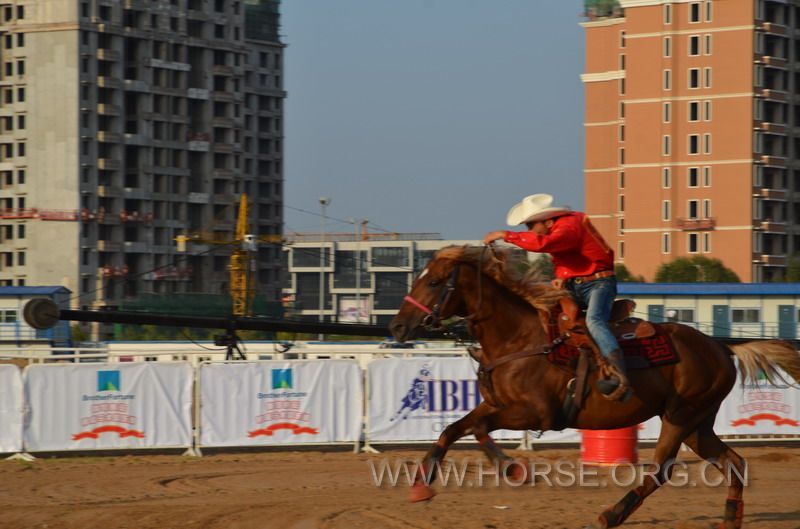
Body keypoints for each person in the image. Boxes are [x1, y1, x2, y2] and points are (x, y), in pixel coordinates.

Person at [483, 193, 630, 399]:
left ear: (548, 221)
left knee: (594, 320)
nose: (529, 230)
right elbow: (561, 259)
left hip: (600, 283)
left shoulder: (570, 226)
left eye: (531, 225)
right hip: (577, 284)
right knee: (544, 314)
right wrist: (562, 277)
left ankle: (617, 370)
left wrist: (506, 235)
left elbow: (545, 244)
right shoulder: (562, 230)